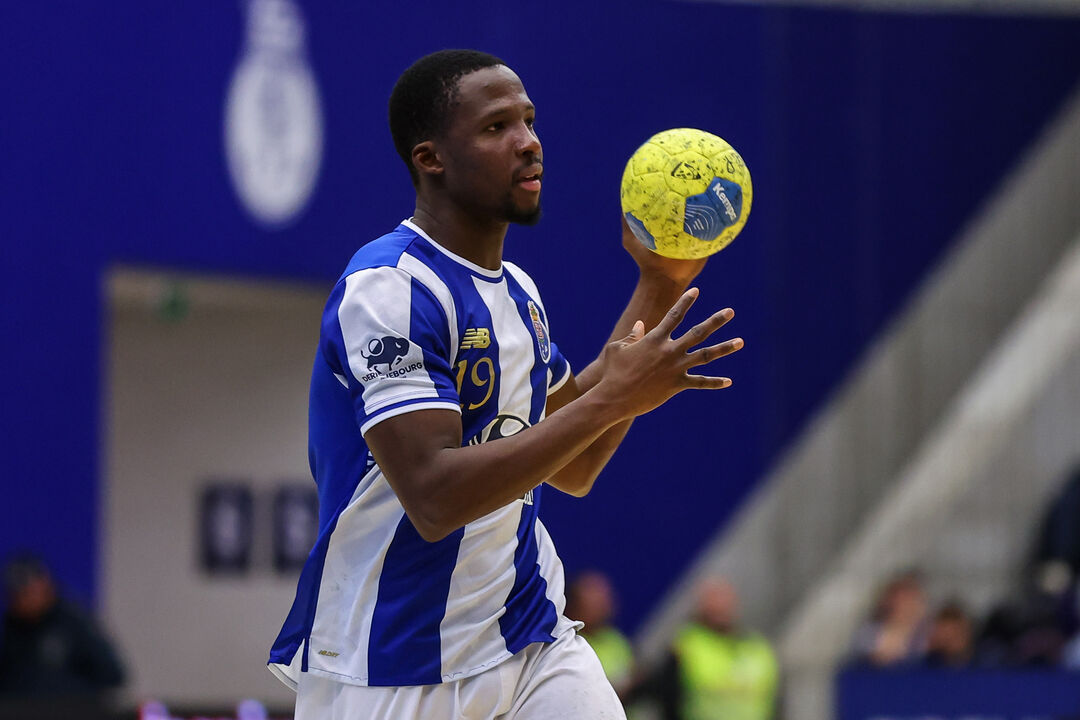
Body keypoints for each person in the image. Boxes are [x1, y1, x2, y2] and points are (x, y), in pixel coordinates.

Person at [267, 49, 743, 720]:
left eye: (529, 120)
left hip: (527, 634)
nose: (529, 142)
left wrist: (659, 282)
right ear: (430, 158)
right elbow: (433, 496)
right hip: (395, 662)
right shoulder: (388, 289)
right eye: (497, 128)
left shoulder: (518, 293)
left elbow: (570, 462)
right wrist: (613, 395)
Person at [640, 578, 777, 720]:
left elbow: (775, 700)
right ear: (701, 607)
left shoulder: (759, 649)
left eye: (724, 601)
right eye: (714, 601)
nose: (720, 607)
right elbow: (666, 697)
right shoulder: (685, 645)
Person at [0, 553, 125, 700]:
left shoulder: (74, 622)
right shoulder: (8, 628)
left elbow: (113, 674)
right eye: (16, 594)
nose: (22, 600)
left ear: (44, 585)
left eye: (27, 591)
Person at [565, 571, 635, 698]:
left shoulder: (616, 639)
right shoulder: (566, 643)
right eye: (594, 604)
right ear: (575, 606)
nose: (603, 609)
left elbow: (632, 673)